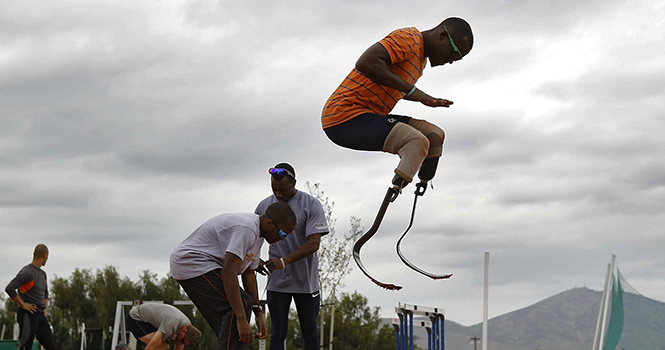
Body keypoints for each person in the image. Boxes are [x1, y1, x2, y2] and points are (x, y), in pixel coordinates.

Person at [321, 17, 474, 193]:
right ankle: (394, 192)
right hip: (344, 117)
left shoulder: (420, 62)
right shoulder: (409, 38)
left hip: (369, 115)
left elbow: (394, 86)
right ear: (442, 36)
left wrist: (421, 97)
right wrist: (416, 93)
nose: (452, 60)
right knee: (416, 142)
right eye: (455, 52)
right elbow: (366, 62)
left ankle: (423, 182)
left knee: (434, 135)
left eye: (459, 58)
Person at [169, 202, 297, 350]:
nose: (283, 239)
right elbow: (229, 272)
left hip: (202, 266)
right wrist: (242, 318)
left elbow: (249, 273)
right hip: (191, 263)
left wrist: (258, 312)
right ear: (269, 223)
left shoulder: (259, 236)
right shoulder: (247, 229)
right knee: (241, 305)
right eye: (283, 234)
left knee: (229, 329)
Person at [254, 163, 329, 350]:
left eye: (283, 190)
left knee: (310, 334)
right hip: (277, 282)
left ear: (294, 182)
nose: (279, 195)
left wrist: (284, 260)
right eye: (274, 190)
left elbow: (314, 243)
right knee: (278, 333)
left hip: (306, 282)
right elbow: (252, 238)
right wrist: (256, 260)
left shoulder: (310, 204)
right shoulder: (264, 205)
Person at [5, 244, 57, 350]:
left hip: (40, 315)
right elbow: (10, 288)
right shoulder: (27, 272)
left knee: (51, 347)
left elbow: (45, 294)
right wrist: (23, 304)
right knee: (25, 346)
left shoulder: (43, 274)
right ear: (45, 255)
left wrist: (45, 308)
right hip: (28, 315)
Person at [125, 302, 202, 350]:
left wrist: (181, 342)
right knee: (162, 347)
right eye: (181, 341)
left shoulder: (187, 328)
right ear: (184, 331)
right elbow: (150, 348)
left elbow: (181, 344)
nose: (178, 342)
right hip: (136, 318)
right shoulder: (171, 323)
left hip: (152, 322)